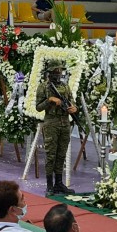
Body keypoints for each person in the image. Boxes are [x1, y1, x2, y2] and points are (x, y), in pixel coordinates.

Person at [36, 60, 76, 196]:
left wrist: (73, 108)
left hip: (65, 123)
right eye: (56, 71)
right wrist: (50, 100)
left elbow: (72, 101)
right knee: (51, 155)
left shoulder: (65, 86)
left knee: (61, 155)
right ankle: (49, 185)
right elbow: (38, 107)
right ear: (50, 72)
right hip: (51, 123)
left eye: (60, 71)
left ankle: (59, 183)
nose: (58, 73)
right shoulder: (43, 87)